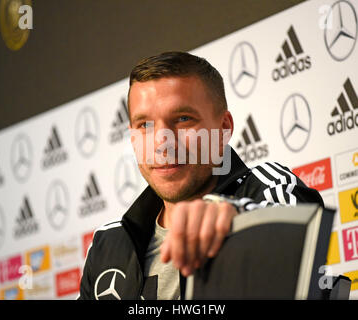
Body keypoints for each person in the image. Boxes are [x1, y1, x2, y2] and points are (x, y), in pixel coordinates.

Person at [78, 51, 324, 300]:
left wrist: (241, 221)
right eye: (145, 125)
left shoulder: (268, 188)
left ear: (224, 128)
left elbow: (297, 245)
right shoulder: (107, 244)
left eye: (183, 119)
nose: (162, 143)